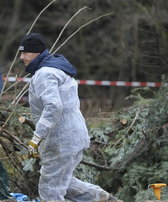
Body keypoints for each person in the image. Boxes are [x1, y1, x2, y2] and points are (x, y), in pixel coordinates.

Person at [19, 33, 118, 201]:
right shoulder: (57, 68)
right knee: (64, 182)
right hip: (73, 136)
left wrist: (37, 137)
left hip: (61, 140)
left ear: (36, 53)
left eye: (25, 53)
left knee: (49, 189)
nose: (21, 57)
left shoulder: (44, 73)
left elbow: (53, 106)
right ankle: (101, 198)